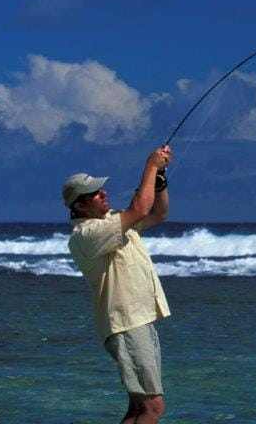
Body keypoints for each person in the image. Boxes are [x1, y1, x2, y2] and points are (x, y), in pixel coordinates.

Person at [65, 145, 173, 424]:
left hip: (137, 320)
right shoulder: (86, 234)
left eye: (102, 190)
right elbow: (140, 208)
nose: (104, 194)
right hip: (125, 324)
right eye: (95, 193)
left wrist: (159, 178)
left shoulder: (112, 223)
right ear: (79, 205)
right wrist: (150, 166)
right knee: (153, 408)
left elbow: (157, 213)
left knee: (139, 408)